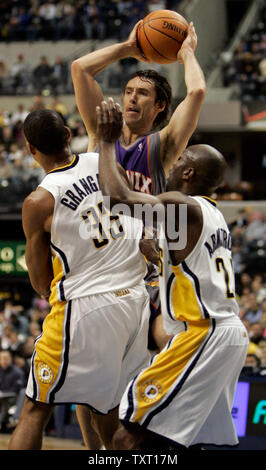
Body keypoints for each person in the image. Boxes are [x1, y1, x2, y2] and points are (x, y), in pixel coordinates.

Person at [71, 18, 206, 432]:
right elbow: (80, 68)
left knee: (121, 383)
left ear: (159, 106)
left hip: (139, 274)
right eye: (128, 90)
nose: (131, 98)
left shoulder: (163, 146)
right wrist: (130, 46)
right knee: (85, 379)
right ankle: (95, 453)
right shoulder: (101, 133)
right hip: (93, 267)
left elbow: (197, 91)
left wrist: (185, 54)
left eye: (142, 93)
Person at [96, 98, 249, 450]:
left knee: (128, 434)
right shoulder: (211, 214)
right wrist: (158, 256)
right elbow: (187, 261)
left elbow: (118, 199)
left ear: (190, 173)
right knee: (177, 440)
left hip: (204, 335)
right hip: (223, 334)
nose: (174, 162)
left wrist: (107, 141)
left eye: (180, 159)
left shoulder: (182, 203)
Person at [8, 109, 151, 450]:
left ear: (30, 149)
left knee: (34, 406)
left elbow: (40, 282)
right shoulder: (105, 163)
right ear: (69, 136)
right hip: (136, 299)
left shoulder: (39, 201)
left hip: (89, 305)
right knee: (105, 403)